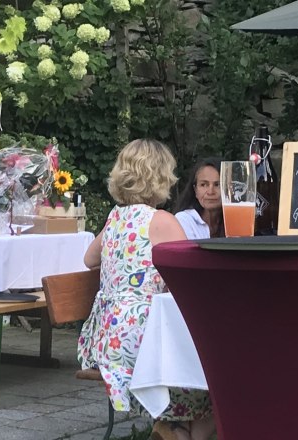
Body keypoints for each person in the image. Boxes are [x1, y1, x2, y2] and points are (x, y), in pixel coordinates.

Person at [78, 139, 214, 440]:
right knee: (214, 378)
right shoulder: (161, 220)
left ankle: (172, 429)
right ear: (161, 177)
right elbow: (191, 277)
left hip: (109, 342)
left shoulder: (115, 217)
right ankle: (174, 429)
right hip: (144, 342)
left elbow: (89, 259)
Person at [174, 157, 224, 239]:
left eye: (217, 185)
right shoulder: (185, 220)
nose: (210, 192)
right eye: (204, 185)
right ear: (195, 190)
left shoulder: (237, 222)